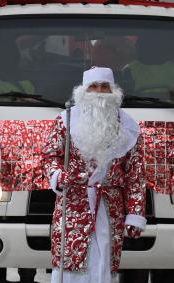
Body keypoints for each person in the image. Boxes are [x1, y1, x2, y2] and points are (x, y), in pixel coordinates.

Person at [43, 67, 147, 283]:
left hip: (110, 207)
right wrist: (58, 176)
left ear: (113, 91)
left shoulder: (129, 127)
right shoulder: (66, 120)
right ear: (84, 91)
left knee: (104, 261)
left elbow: (135, 175)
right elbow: (50, 156)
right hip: (73, 204)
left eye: (104, 87)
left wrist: (136, 213)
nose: (99, 92)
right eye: (94, 86)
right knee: (70, 262)